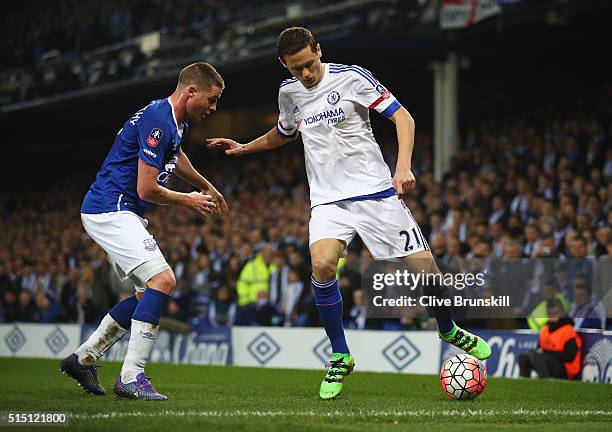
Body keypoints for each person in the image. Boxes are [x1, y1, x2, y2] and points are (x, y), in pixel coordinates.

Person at [207, 27, 491, 399]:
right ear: (284, 65)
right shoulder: (289, 93)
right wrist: (245, 147)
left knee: (427, 272)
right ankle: (340, 354)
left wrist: (402, 167)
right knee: (322, 265)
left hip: (375, 193)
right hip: (328, 200)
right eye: (296, 69)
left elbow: (404, 119)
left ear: (319, 51)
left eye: (309, 64)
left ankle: (448, 328)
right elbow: (284, 132)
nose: (305, 74)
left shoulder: (351, 77)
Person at [60, 62, 229, 401]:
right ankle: (132, 377)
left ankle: (84, 358)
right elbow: (146, 189)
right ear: (190, 91)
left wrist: (208, 186)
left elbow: (176, 156)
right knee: (163, 281)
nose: (213, 109)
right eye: (211, 100)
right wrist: (189, 201)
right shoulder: (158, 120)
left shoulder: (173, 122)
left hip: (118, 210)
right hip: (111, 207)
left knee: (145, 295)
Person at [519, 298, 581, 380]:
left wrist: (546, 352)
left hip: (565, 369)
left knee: (537, 356)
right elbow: (539, 349)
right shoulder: (545, 329)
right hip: (547, 361)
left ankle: (545, 380)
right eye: (550, 313)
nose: (552, 316)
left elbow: (569, 357)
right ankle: (525, 382)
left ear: (562, 312)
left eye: (555, 313)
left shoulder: (568, 331)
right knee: (523, 357)